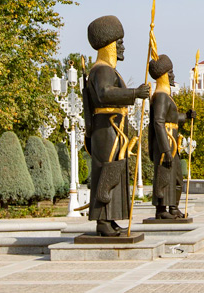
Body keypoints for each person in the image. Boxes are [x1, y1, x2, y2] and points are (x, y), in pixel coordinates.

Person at [83, 15, 149, 237]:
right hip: (106, 128)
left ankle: (110, 220)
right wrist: (134, 93)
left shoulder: (111, 71)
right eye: (118, 43)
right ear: (108, 45)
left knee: (114, 171)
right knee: (107, 172)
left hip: (114, 129)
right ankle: (102, 221)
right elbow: (104, 94)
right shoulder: (101, 70)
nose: (122, 48)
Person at [148, 54, 195, 220]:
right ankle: (161, 210)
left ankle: (174, 207)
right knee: (164, 177)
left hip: (172, 143)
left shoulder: (167, 97)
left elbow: (172, 119)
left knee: (176, 177)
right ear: (163, 76)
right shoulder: (160, 96)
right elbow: (158, 122)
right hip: (165, 143)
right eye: (170, 73)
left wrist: (186, 117)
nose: (173, 76)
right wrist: (165, 149)